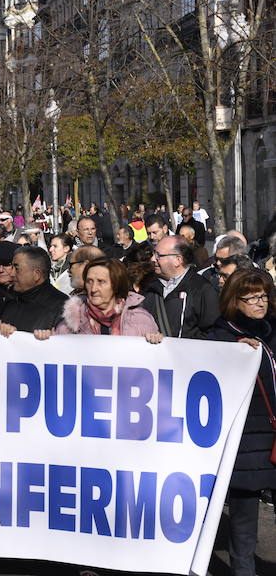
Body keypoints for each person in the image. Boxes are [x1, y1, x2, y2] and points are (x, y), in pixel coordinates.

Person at [206, 269, 276, 576]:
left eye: (264, 295)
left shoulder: (272, 328)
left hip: (272, 436)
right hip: (246, 442)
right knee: (244, 523)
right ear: (236, 300)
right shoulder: (220, 338)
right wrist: (234, 354)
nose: (261, 303)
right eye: (252, 297)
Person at [34, 257, 162, 342]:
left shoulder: (141, 320)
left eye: (101, 282)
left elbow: (155, 364)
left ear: (116, 285)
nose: (93, 288)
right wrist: (47, 342)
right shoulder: (70, 323)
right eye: (89, 281)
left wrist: (156, 343)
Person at [140, 235, 219, 339]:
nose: (153, 259)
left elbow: (212, 332)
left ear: (177, 260)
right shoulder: (148, 285)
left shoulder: (202, 289)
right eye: (153, 254)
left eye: (158, 255)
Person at [0, 246, 69, 336]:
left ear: (36, 274)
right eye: (12, 268)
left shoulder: (63, 307)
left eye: (17, 269)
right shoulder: (11, 300)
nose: (11, 274)